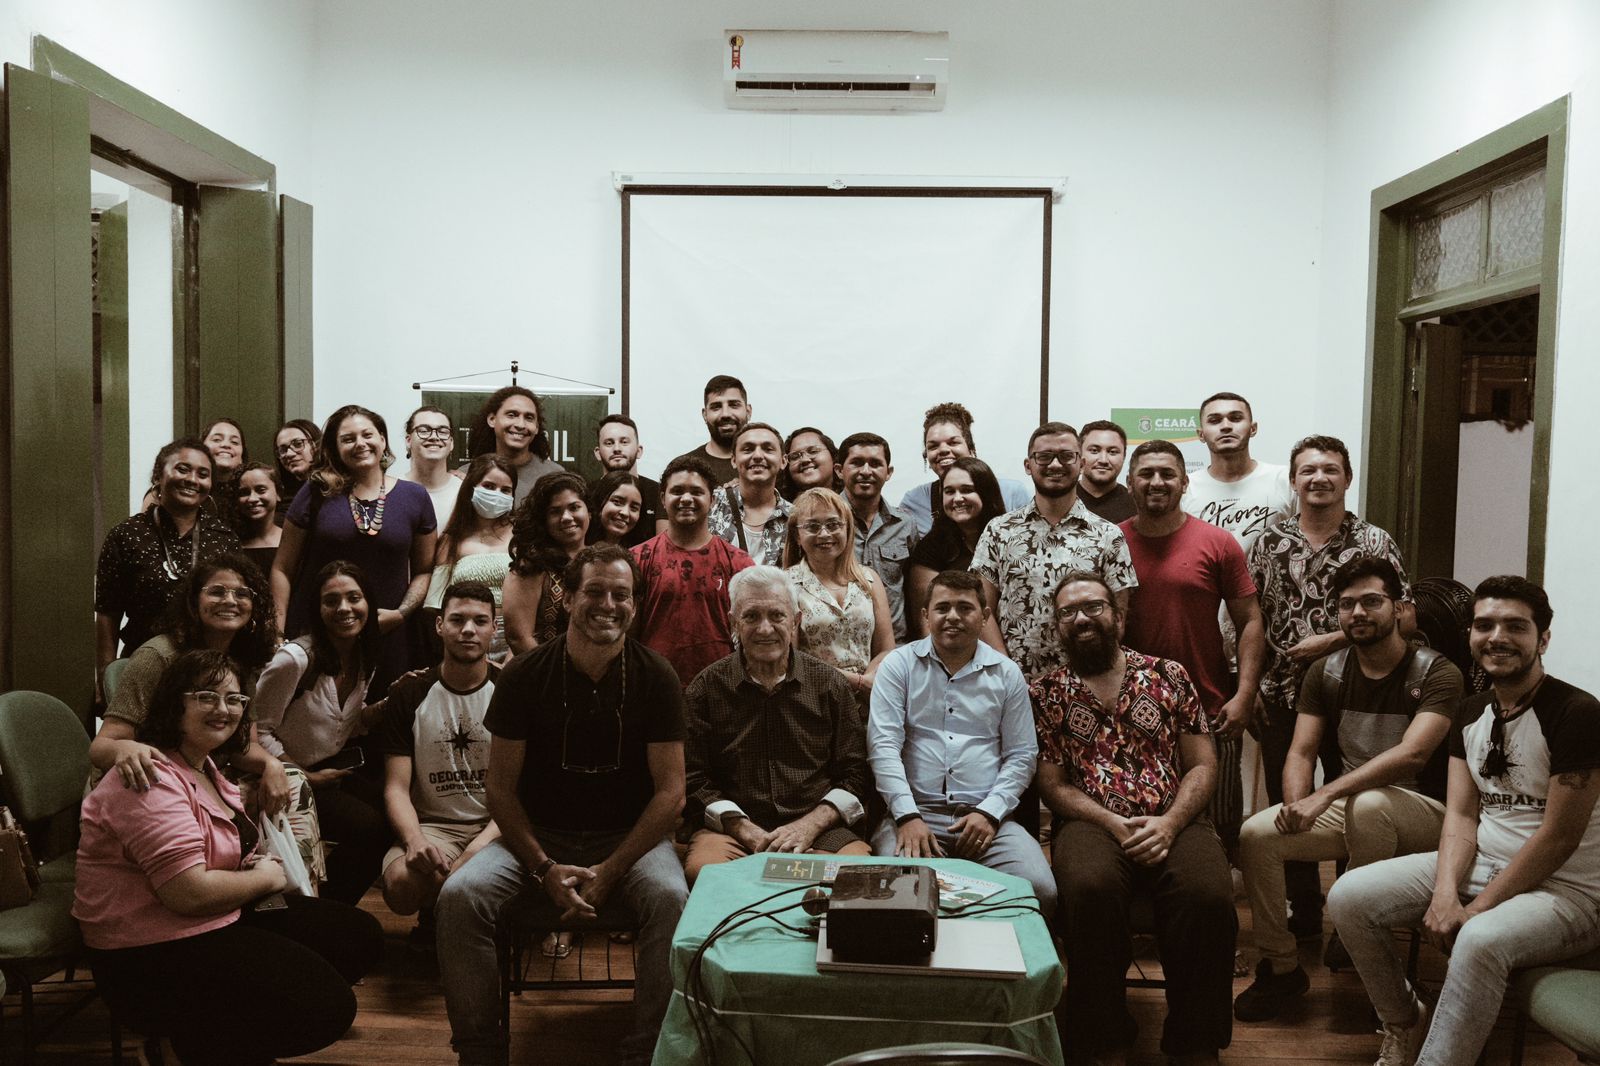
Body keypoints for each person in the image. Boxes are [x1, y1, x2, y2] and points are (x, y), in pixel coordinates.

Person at [1327, 576, 1600, 1066]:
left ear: (1543, 639)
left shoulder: (1578, 713)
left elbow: (1559, 838)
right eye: (1484, 625)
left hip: (1568, 893)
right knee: (1349, 896)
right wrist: (1445, 893)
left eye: (1515, 626)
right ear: (1471, 635)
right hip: (1484, 864)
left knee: (1477, 937)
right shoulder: (1470, 711)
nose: (1497, 637)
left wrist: (1476, 911)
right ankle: (1404, 1021)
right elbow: (1460, 814)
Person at [436, 544, 689, 1066]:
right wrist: (543, 867)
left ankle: (647, 1051)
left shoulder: (657, 675)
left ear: (635, 605)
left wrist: (612, 870)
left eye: (621, 595)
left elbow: (671, 795)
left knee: (671, 897)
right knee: (459, 896)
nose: (608, 605)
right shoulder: (525, 675)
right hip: (538, 838)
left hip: (629, 842)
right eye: (594, 591)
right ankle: (480, 1052)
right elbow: (500, 790)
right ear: (568, 598)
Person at [74, 649, 383, 1066]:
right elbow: (188, 893)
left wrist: (250, 865)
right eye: (207, 696)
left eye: (234, 699)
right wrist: (266, 878)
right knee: (327, 1007)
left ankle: (221, 1041)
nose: (224, 709)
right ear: (174, 704)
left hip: (209, 916)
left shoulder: (203, 766)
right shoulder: (150, 776)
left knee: (356, 935)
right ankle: (182, 1047)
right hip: (146, 952)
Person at [1233, 556, 1462, 1022]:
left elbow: (1412, 755)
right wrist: (1297, 805)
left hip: (1428, 815)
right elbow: (1301, 752)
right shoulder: (1328, 672)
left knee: (1370, 804)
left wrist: (1325, 795)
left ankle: (1354, 929)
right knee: (1257, 834)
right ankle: (1280, 966)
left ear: (1400, 607)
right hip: (1356, 809)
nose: (1358, 613)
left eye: (1372, 601)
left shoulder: (1437, 673)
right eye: (1346, 604)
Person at [1033, 572, 1235, 1066]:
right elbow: (1053, 785)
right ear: (1058, 628)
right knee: (1090, 890)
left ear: (1118, 618)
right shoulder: (1046, 693)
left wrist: (1170, 823)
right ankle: (1103, 1039)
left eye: (1093, 606)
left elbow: (1203, 764)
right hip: (1090, 822)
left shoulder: (1170, 675)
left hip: (1175, 816)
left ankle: (1194, 1040)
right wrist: (1110, 822)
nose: (1082, 618)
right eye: (1068, 612)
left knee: (1208, 895)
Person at [1248, 433, 1407, 938]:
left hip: (1356, 695)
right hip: (1279, 693)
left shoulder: (1374, 542)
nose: (1319, 478)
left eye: (1330, 469)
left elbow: (1406, 614)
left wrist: (1332, 640)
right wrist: (1247, 686)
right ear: (1294, 481)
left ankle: (1350, 917)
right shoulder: (1267, 540)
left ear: (1348, 478)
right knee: (1288, 800)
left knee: (1355, 804)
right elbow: (1247, 619)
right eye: (1308, 470)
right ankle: (1304, 911)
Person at [869, 570, 1054, 912]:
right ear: (925, 615)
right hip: (913, 815)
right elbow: (883, 748)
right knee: (899, 894)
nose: (952, 616)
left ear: (984, 616)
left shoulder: (1006, 674)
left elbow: (1022, 755)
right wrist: (907, 816)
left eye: (965, 608)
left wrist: (990, 813)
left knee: (1040, 890)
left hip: (986, 819)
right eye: (942, 608)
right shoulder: (898, 666)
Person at [1119, 440, 1264, 860]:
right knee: (1140, 818)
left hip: (1209, 705)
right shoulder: (1111, 542)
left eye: (1167, 474)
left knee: (1220, 824)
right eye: (1146, 474)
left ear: (1185, 482)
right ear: (1130, 483)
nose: (1157, 482)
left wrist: (1245, 694)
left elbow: (1250, 621)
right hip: (1129, 709)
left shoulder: (1218, 542)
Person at [682, 566, 872, 881]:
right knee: (708, 874)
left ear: (796, 621)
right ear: (733, 622)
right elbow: (693, 779)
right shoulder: (706, 688)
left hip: (820, 830)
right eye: (751, 616)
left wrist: (809, 826)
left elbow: (856, 774)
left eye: (777, 615)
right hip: (732, 830)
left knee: (850, 877)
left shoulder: (829, 684)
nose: (765, 628)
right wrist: (744, 829)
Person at [91, 553, 291, 818]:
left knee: (291, 782)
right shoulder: (158, 656)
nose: (230, 600)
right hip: (148, 782)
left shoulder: (241, 662)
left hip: (208, 774)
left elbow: (242, 748)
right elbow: (101, 747)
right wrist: (123, 749)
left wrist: (271, 763)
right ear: (194, 601)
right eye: (217, 592)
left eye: (242, 594)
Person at [272, 404, 438, 695]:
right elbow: (282, 568)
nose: (360, 443)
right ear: (335, 448)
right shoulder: (316, 491)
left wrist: (400, 614)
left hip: (387, 633)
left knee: (382, 711)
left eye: (367, 435)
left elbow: (424, 570)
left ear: (383, 440)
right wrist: (277, 632)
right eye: (348, 439)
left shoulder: (415, 496)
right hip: (318, 631)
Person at [254, 561, 390, 905]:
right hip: (282, 774)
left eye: (353, 598)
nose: (344, 608)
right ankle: (320, 910)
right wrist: (306, 775)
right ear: (317, 610)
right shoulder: (294, 660)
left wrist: (388, 705)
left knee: (395, 815)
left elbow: (348, 723)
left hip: (329, 769)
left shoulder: (365, 654)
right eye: (331, 601)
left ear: (369, 603)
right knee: (370, 829)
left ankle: (328, 907)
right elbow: (257, 730)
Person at [972, 421, 1138, 681]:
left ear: (1081, 463)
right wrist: (1005, 672)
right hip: (1012, 684)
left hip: (1085, 686)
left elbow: (1117, 618)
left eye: (1066, 456)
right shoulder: (999, 530)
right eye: (1044, 456)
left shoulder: (1108, 535)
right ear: (1028, 465)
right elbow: (982, 608)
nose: (1055, 464)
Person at [377, 582, 500, 918]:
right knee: (401, 886)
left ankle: (452, 918)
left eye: (480, 621)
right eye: (458, 620)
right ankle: (439, 913)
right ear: (439, 625)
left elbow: (521, 793)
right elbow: (396, 787)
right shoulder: (410, 693)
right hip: (434, 825)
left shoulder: (510, 691)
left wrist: (473, 852)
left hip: (497, 825)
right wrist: (414, 839)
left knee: (475, 880)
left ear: (494, 628)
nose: (468, 630)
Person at [96, 438, 240, 697]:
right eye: (182, 469)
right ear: (158, 475)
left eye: (203, 474)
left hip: (207, 671)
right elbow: (108, 611)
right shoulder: (126, 534)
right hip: (142, 665)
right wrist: (105, 674)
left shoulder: (224, 538)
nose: (192, 480)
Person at [632, 455, 754, 685]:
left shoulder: (739, 563)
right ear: (662, 498)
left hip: (722, 688)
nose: (686, 498)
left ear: (712, 499)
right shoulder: (637, 559)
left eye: (697, 492)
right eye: (677, 491)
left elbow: (750, 634)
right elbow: (628, 636)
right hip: (654, 687)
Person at [782, 488, 895, 700]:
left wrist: (869, 681)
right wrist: (857, 682)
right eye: (812, 527)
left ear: (847, 529)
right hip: (815, 700)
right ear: (797, 535)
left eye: (833, 525)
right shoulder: (785, 584)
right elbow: (790, 658)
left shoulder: (869, 579)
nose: (824, 534)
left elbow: (886, 649)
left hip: (870, 699)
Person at [905, 457, 1008, 638]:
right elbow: (927, 626)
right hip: (955, 647)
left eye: (967, 490)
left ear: (986, 493)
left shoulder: (1009, 538)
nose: (957, 498)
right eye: (949, 491)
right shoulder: (930, 549)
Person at [426, 455, 516, 660]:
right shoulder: (451, 540)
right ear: (471, 488)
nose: (496, 494)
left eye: (505, 490)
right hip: (464, 639)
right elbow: (435, 604)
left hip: (514, 640)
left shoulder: (522, 536)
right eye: (489, 486)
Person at [896, 402, 1032, 536]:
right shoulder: (914, 501)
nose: (943, 450)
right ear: (926, 455)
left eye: (953, 442)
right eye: (933, 446)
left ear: (971, 448)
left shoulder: (1012, 493)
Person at [1181, 392, 1295, 550]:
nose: (1226, 426)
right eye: (1214, 420)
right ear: (1201, 434)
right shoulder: (1186, 488)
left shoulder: (1285, 480)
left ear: (1253, 429)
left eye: (1235, 418)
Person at [839, 431, 919, 644]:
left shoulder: (905, 524)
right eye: (856, 463)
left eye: (875, 464)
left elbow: (914, 591)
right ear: (839, 470)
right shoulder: (825, 522)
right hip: (842, 645)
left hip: (896, 646)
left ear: (888, 472)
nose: (866, 471)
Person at [503, 471, 589, 654]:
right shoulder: (531, 566)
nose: (566, 517)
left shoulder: (600, 560)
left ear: (589, 512)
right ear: (543, 520)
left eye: (574, 507)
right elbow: (518, 637)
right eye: (555, 511)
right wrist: (555, 669)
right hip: (543, 667)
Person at [707, 421, 792, 567]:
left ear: (783, 461)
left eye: (768, 449)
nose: (758, 455)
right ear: (734, 460)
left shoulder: (795, 517)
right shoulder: (710, 505)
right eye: (747, 449)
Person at [467, 385, 565, 507]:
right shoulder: (467, 475)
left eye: (529, 418)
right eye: (512, 415)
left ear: (537, 427)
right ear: (492, 419)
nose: (520, 424)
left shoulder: (555, 475)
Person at [594, 414, 665, 546]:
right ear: (598, 453)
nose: (617, 449)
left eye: (624, 442)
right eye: (609, 443)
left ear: (639, 451)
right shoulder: (586, 492)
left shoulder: (659, 493)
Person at [671, 373, 751, 487]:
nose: (725, 414)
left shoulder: (767, 464)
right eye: (716, 407)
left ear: (748, 412)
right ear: (705, 415)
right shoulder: (683, 468)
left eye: (734, 405)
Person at [399, 404, 463, 529]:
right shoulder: (392, 490)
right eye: (424, 431)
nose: (434, 437)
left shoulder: (465, 491)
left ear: (451, 443)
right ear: (408, 440)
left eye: (443, 432)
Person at [1077, 419, 1136, 523]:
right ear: (1079, 454)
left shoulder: (1137, 506)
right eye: (1094, 451)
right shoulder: (1061, 500)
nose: (1103, 460)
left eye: (1112, 452)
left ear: (1124, 457)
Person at [233, 461, 282, 577]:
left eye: (261, 490)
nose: (252, 499)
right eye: (244, 492)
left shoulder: (292, 540)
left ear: (278, 493)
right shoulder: (231, 542)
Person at [273, 418, 322, 524]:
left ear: (317, 445)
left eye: (298, 444)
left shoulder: (334, 489)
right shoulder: (278, 495)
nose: (289, 454)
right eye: (283, 449)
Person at [779, 426, 843, 501]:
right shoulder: (777, 506)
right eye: (795, 456)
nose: (804, 460)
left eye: (813, 451)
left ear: (833, 456)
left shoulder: (853, 502)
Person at [586, 470, 646, 546]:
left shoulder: (643, 551)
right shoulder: (578, 546)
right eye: (617, 502)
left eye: (634, 507)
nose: (625, 513)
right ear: (600, 501)